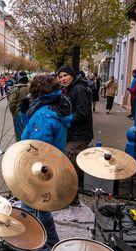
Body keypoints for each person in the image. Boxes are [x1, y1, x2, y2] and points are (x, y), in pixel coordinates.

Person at [19, 74, 74, 251]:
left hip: (39, 170)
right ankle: (52, 241)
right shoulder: (54, 108)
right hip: (50, 167)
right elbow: (36, 132)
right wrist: (24, 116)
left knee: (27, 209)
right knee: (42, 209)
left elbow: (36, 147)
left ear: (36, 92)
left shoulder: (44, 114)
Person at [57, 64, 93, 206]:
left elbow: (82, 112)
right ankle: (70, 198)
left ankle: (72, 200)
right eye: (60, 77)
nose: (62, 79)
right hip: (73, 133)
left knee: (72, 169)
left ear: (72, 75)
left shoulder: (78, 89)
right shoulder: (70, 89)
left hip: (79, 135)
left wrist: (66, 119)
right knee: (69, 166)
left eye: (65, 75)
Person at [8, 71, 29, 142]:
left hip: (18, 114)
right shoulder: (30, 87)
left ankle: (20, 149)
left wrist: (14, 113)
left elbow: (11, 103)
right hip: (29, 113)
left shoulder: (16, 88)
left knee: (19, 134)